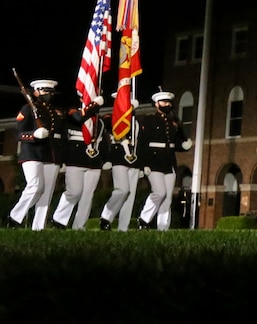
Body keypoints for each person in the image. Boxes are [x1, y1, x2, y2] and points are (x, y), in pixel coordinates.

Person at [7, 79, 67, 230]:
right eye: (45, 91)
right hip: (32, 153)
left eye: (50, 92)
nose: (48, 94)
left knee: (46, 192)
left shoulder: (55, 112)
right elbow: (18, 134)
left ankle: (39, 227)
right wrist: (34, 135)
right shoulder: (27, 109)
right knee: (35, 186)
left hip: (50, 155)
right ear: (36, 92)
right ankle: (15, 217)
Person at [136, 90, 193, 230]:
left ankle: (163, 227)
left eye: (168, 102)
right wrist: (143, 164)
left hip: (169, 161)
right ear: (156, 104)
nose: (166, 104)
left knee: (167, 197)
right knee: (159, 192)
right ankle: (144, 219)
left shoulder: (174, 121)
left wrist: (184, 146)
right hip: (153, 161)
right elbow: (142, 143)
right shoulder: (149, 120)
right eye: (163, 102)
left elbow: (176, 142)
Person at [50, 91, 106, 229]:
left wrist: (104, 159)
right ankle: (59, 220)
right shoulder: (72, 113)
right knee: (73, 192)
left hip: (94, 160)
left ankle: (79, 226)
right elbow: (78, 118)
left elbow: (105, 139)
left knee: (88, 196)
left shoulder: (99, 119)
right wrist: (94, 105)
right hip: (75, 159)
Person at [99, 102, 145, 231]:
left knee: (131, 195)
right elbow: (106, 126)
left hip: (135, 159)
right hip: (119, 156)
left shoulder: (137, 121)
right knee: (122, 190)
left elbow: (141, 143)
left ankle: (123, 228)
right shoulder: (113, 118)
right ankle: (106, 217)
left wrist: (142, 165)